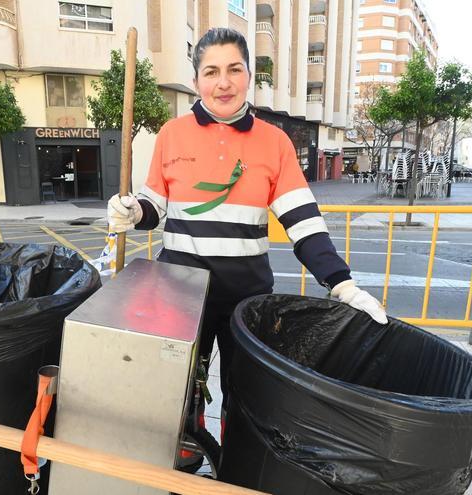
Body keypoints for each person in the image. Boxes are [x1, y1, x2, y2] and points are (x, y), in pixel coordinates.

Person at [107, 27, 387, 413]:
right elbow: (155, 204)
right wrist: (134, 211)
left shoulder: (275, 142)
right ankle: (185, 463)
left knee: (245, 399)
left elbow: (303, 222)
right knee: (178, 395)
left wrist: (342, 284)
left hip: (248, 296)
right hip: (179, 296)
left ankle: (232, 467)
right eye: (211, 72)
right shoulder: (171, 134)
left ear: (249, 76)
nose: (223, 83)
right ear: (196, 81)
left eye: (234, 70)